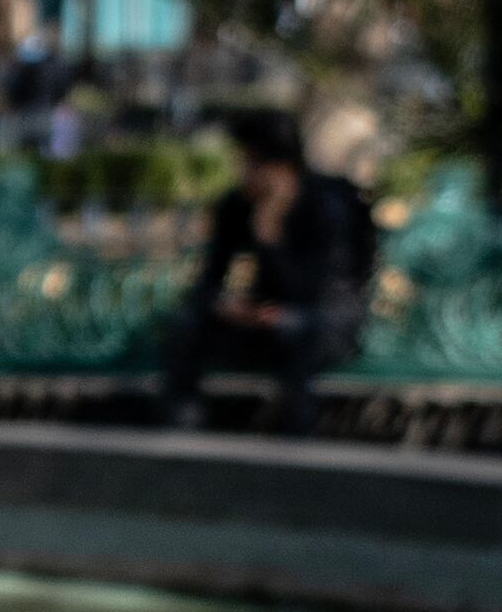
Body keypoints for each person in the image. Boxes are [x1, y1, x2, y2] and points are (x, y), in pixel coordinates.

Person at [159, 104, 372, 437]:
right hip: (263, 321)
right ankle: (184, 439)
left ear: (280, 167)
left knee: (298, 333)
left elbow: (318, 289)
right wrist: (225, 305)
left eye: (249, 163)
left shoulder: (325, 205)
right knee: (187, 326)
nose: (242, 172)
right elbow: (209, 279)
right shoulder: (237, 205)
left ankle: (293, 453)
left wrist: (269, 238)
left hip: (324, 322)